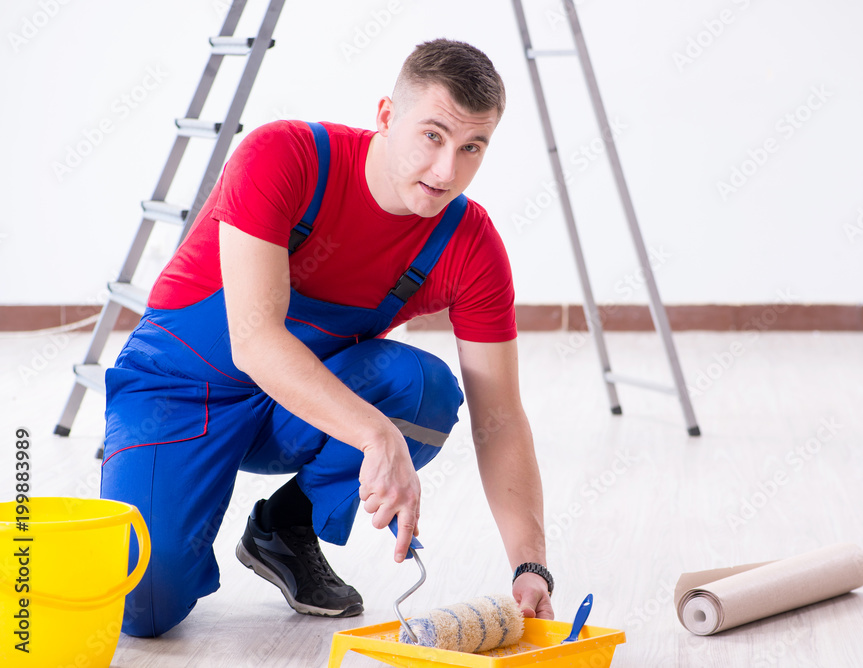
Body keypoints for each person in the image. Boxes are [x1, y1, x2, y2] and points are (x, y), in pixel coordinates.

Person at [100, 38, 554, 638]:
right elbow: (255, 341)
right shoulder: (285, 156)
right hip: (178, 392)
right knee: (144, 606)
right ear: (387, 117)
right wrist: (375, 434)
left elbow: (500, 416)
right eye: (433, 136)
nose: (448, 171)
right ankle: (145, 492)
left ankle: (285, 528)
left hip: (294, 406)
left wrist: (530, 564)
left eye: (473, 147)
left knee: (426, 389)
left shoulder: (468, 246)